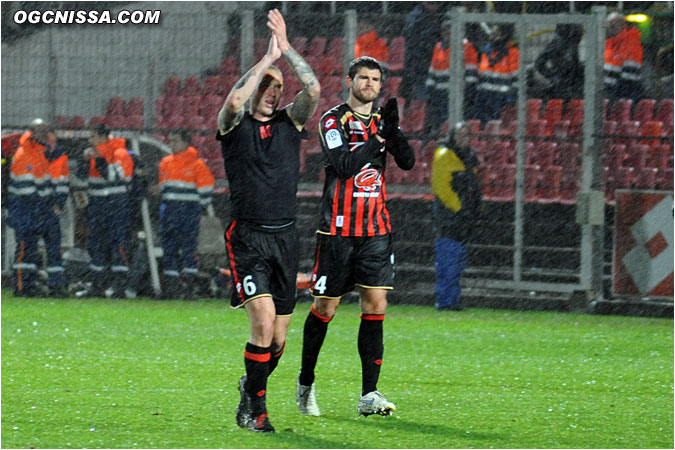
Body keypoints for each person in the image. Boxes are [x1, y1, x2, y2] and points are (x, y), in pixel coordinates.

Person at [216, 9, 320, 433]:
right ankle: (256, 412)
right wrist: (265, 60)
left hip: (285, 239)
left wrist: (287, 50)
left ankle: (250, 386)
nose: (274, 92)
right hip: (248, 239)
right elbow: (234, 101)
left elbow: (312, 88)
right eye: (268, 86)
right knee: (260, 323)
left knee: (277, 341)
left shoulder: (290, 123)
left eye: (279, 87)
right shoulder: (233, 127)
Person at [296, 56, 415, 418]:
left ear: (380, 86)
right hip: (337, 231)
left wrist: (393, 135)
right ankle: (305, 383)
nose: (369, 84)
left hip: (376, 231)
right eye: (362, 77)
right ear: (349, 81)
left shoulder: (382, 122)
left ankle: (369, 394)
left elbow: (408, 162)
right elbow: (345, 166)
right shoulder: (333, 121)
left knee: (376, 306)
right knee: (325, 308)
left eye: (375, 79)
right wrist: (378, 139)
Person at [8, 118, 67, 296]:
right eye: (41, 131)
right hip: (25, 209)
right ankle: (22, 287)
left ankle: (38, 285)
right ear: (33, 132)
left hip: (36, 209)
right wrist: (48, 204)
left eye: (45, 130)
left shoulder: (41, 152)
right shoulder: (24, 153)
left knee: (34, 249)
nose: (44, 134)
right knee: (26, 249)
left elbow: (45, 184)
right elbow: (26, 187)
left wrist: (52, 203)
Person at [76, 124, 134, 298]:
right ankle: (97, 286)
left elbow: (114, 177)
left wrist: (99, 159)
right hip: (97, 207)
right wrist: (84, 160)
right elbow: (81, 177)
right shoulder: (95, 154)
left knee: (118, 245)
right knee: (96, 246)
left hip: (116, 207)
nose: (89, 141)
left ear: (103, 137)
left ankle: (120, 287)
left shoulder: (120, 154)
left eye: (92, 137)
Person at [431, 122, 482, 310]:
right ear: (452, 136)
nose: (464, 138)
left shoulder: (469, 156)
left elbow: (474, 185)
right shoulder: (444, 155)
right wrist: (459, 208)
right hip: (449, 216)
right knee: (448, 260)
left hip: (462, 215)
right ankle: (445, 300)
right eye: (460, 135)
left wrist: (474, 208)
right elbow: (441, 187)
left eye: (466, 135)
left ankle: (452, 299)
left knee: (457, 261)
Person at [158, 129, 215, 299]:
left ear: (185, 142)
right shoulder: (166, 162)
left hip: (186, 214)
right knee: (170, 250)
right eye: (171, 140)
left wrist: (195, 210)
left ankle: (189, 287)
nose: (172, 144)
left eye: (175, 140)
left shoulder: (197, 165)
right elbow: (165, 189)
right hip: (169, 213)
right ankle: (172, 288)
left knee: (188, 250)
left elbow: (206, 191)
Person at [425, 19, 479, 135]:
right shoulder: (439, 46)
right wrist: (430, 88)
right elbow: (433, 69)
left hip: (457, 93)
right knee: (441, 121)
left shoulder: (467, 47)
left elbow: (470, 72)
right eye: (444, 32)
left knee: (455, 121)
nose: (446, 35)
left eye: (449, 32)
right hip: (440, 92)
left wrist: (468, 91)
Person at [474, 24, 519, 122]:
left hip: (501, 101)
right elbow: (480, 76)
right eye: (492, 33)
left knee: (497, 127)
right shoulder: (485, 52)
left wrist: (511, 100)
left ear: (504, 36)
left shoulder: (512, 53)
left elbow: (517, 80)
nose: (492, 36)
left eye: (496, 34)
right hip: (484, 98)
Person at [528, 24, 584, 102]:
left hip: (570, 86)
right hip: (564, 88)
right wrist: (555, 78)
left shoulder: (572, 44)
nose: (582, 32)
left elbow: (573, 65)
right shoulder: (560, 43)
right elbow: (539, 63)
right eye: (580, 29)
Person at [400, 1, 442, 100]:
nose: (435, 6)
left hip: (424, 63)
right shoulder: (417, 18)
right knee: (422, 98)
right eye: (432, 3)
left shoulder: (423, 17)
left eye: (437, 3)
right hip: (420, 64)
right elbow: (417, 43)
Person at [604, 12, 643, 102]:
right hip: (612, 94)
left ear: (623, 25)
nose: (611, 27)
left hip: (623, 95)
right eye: (610, 25)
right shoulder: (610, 44)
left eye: (614, 24)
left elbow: (629, 77)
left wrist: (615, 98)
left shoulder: (630, 42)